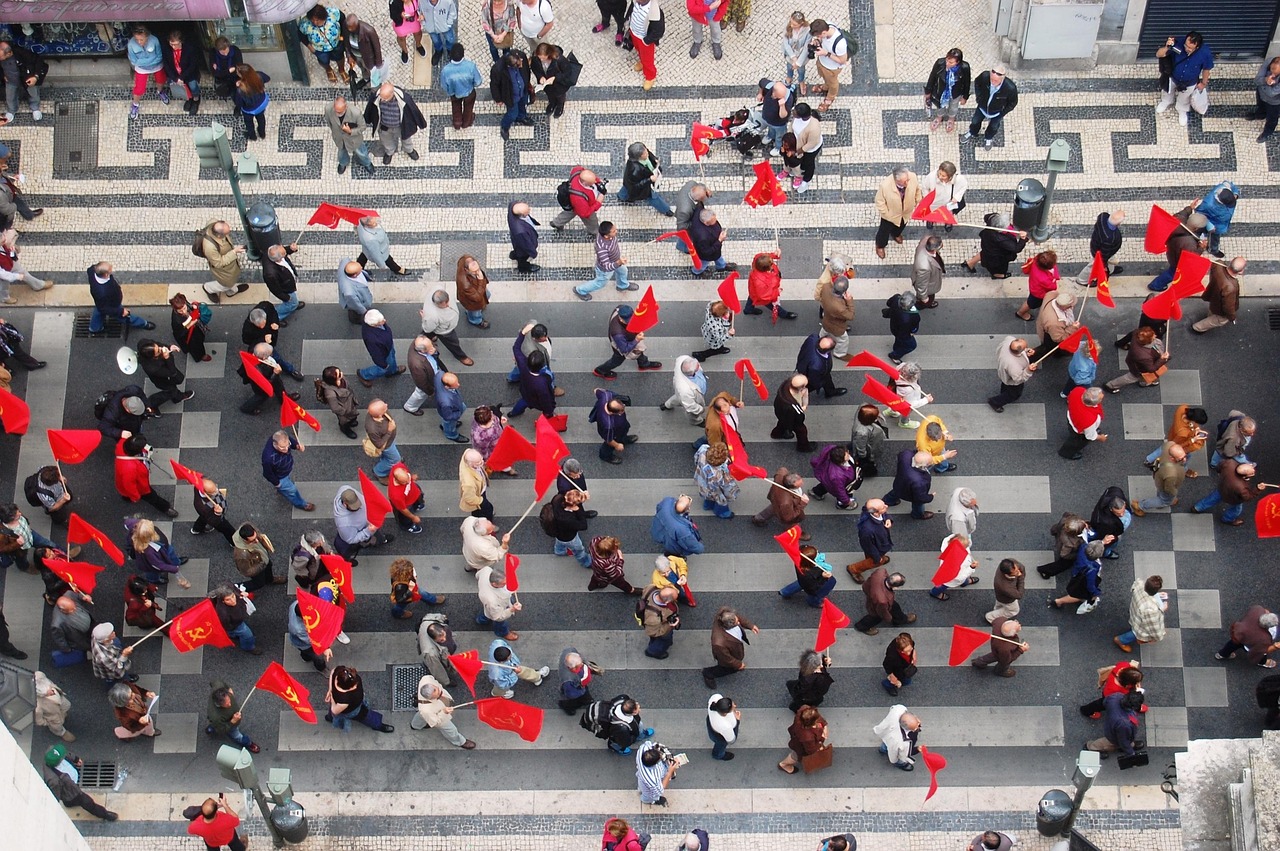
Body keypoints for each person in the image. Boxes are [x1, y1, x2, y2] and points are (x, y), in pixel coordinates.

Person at [1156, 31, 1213, 129]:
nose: (1187, 49)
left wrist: (1204, 83)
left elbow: (1206, 69)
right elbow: (1159, 54)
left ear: (1197, 47)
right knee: (1167, 91)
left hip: (1190, 82)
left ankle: (1181, 109)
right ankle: (1166, 101)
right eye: (1186, 46)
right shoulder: (1178, 44)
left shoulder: (1205, 53)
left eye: (1190, 48)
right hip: (1173, 77)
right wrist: (1167, 47)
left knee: (1185, 97)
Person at [43, 745, 117, 821]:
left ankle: (68, 803)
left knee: (70, 802)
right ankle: (104, 814)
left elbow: (65, 753)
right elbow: (55, 795)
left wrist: (75, 759)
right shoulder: (53, 780)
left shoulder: (52, 752)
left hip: (72, 779)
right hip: (72, 791)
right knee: (87, 802)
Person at [115, 435, 179, 518]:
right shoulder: (129, 468)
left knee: (125, 492)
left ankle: (127, 497)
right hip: (140, 487)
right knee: (152, 497)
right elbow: (129, 485)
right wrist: (136, 496)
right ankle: (165, 508)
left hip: (122, 480)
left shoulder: (122, 444)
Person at [364, 82, 426, 165]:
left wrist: (421, 123)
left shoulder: (404, 99)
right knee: (386, 141)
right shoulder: (376, 97)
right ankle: (389, 152)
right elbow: (370, 109)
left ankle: (409, 150)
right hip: (384, 126)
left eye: (385, 99)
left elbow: (414, 110)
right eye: (381, 97)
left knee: (406, 139)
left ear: (392, 94)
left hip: (401, 126)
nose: (382, 100)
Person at [593, 304, 661, 377]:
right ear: (621, 319)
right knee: (616, 361)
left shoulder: (620, 309)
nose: (631, 322)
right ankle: (600, 371)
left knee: (638, 352)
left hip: (628, 337)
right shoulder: (618, 333)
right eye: (628, 321)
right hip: (620, 345)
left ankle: (644, 364)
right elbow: (624, 349)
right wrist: (636, 339)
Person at [87, 262, 154, 336]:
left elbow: (101, 307)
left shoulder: (92, 271)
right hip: (112, 304)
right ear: (105, 274)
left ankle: (95, 328)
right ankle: (143, 323)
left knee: (99, 310)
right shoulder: (102, 291)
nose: (112, 271)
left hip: (101, 302)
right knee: (124, 316)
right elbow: (105, 308)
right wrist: (121, 311)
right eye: (110, 270)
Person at [1193, 459, 1264, 526]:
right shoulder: (1241, 488)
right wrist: (1257, 489)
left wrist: (1219, 472)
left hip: (1222, 488)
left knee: (1212, 499)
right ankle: (1227, 519)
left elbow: (1220, 466)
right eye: (1252, 473)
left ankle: (1197, 508)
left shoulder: (1230, 463)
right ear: (1245, 476)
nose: (1254, 471)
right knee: (1236, 509)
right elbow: (1248, 497)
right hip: (1233, 498)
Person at [576, 221, 635, 300]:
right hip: (605, 270)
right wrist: (619, 262)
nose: (616, 232)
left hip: (616, 261)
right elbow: (607, 267)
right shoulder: (601, 248)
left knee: (623, 271)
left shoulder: (609, 236)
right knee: (600, 283)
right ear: (606, 236)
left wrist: (618, 261)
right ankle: (580, 290)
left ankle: (622, 285)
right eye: (614, 231)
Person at [326, 665, 395, 733]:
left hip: (345, 704)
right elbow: (334, 711)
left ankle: (330, 718)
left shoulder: (339, 673)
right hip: (352, 710)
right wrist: (332, 698)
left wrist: (330, 689)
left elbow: (332, 672)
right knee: (365, 716)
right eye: (353, 686)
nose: (356, 686)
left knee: (334, 715)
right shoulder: (344, 701)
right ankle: (378, 725)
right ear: (345, 687)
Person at [963, 64, 1018, 148]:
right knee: (975, 121)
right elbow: (977, 83)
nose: (993, 82)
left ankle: (988, 137)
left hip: (997, 112)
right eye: (991, 79)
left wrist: (1002, 112)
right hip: (982, 107)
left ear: (1002, 78)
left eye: (995, 81)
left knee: (994, 126)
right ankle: (972, 132)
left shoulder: (1010, 88)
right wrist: (979, 97)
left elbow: (1013, 103)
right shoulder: (985, 76)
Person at [702, 607, 758, 688]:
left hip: (732, 648)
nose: (739, 622)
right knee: (727, 668)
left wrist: (750, 626)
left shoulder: (724, 613)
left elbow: (737, 617)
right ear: (729, 626)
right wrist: (738, 664)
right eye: (736, 622)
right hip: (727, 656)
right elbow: (727, 658)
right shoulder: (719, 643)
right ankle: (708, 673)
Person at [873, 167, 922, 259]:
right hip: (890, 215)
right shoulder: (885, 186)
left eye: (907, 180)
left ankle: (895, 234)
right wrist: (887, 215)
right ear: (896, 181)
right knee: (884, 231)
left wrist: (917, 201)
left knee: (901, 225)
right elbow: (879, 201)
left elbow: (917, 189)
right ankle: (880, 245)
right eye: (904, 182)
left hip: (906, 212)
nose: (907, 183)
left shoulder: (912, 177)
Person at [333, 485, 394, 558]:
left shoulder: (345, 489)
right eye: (354, 507)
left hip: (368, 522)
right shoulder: (344, 524)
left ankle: (380, 540)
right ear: (345, 504)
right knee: (368, 540)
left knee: (377, 535)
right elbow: (351, 539)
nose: (358, 507)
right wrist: (368, 531)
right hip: (364, 529)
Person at [1144, 404, 1208, 471]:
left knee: (1164, 447)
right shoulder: (1183, 433)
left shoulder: (1182, 408)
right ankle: (1184, 470)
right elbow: (1178, 445)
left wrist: (1196, 428)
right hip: (1177, 440)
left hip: (1172, 433)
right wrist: (1192, 440)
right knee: (1178, 452)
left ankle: (1149, 459)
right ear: (1194, 420)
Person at [1104, 326, 1168, 393]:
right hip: (1138, 368)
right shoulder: (1144, 356)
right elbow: (1151, 369)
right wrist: (1162, 359)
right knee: (1131, 377)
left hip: (1134, 361)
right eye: (1153, 336)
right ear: (1148, 341)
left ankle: (1144, 381)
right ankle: (1111, 385)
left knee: (1136, 376)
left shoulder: (1136, 333)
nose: (1155, 335)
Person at [1113, 575, 1168, 653]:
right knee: (1137, 632)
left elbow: (1138, 588)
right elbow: (1153, 626)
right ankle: (1120, 640)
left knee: (1135, 628)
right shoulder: (1152, 609)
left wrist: (1156, 595)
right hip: (1140, 622)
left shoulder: (1140, 584)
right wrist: (1158, 636)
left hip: (1135, 611)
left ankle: (1122, 640)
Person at [961, 214, 1027, 277]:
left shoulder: (992, 222)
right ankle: (997, 275)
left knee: (985, 253)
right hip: (996, 256)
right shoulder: (1001, 239)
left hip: (989, 245)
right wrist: (1023, 239)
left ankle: (970, 263)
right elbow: (1016, 248)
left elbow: (987, 217)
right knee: (998, 267)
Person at [420, 287, 473, 365]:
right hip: (444, 331)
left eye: (447, 301)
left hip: (440, 326)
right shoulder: (432, 315)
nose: (448, 304)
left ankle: (430, 338)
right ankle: (461, 356)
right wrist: (425, 319)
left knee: (428, 333)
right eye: (444, 304)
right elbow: (428, 328)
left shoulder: (440, 290)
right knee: (453, 343)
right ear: (437, 304)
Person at [1048, 540, 1105, 612]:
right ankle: (1058, 601)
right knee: (1078, 595)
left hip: (1077, 572)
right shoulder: (1092, 569)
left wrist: (1102, 542)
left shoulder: (1083, 547)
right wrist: (1095, 593)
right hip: (1082, 580)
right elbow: (1090, 585)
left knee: (1078, 592)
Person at [1084, 690, 1144, 759]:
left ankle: (1128, 745)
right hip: (1113, 736)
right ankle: (1091, 747)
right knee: (1106, 743)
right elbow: (1123, 740)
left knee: (1123, 740)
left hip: (1111, 724)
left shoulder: (1116, 697)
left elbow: (1105, 702)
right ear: (1133, 707)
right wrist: (1130, 752)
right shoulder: (1124, 723)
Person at [1192, 256, 1244, 334]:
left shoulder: (1218, 264)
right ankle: (1197, 327)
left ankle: (1210, 315)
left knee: (1213, 310)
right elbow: (1228, 307)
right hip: (1220, 308)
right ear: (1240, 272)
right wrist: (1231, 317)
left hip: (1213, 296)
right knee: (1219, 320)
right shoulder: (1230, 287)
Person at [1132, 442, 1187, 515]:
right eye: (1181, 459)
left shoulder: (1169, 445)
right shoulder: (1172, 474)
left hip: (1159, 475)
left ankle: (1163, 498)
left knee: (1161, 492)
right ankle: (1140, 506)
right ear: (1172, 458)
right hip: (1164, 482)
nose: (1184, 459)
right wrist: (1174, 493)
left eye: (1184, 456)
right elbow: (1169, 488)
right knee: (1164, 501)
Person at [127, 25, 169, 120]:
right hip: (142, 69)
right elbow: (134, 61)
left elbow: (159, 56)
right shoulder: (131, 45)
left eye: (141, 39)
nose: (139, 42)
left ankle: (160, 91)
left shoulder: (154, 40)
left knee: (161, 80)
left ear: (147, 36)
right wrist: (150, 60)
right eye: (137, 39)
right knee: (139, 88)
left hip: (157, 66)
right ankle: (135, 104)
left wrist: (143, 61)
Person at [619, 142, 673, 216]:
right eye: (645, 153)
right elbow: (635, 186)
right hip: (645, 187)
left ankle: (621, 196)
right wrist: (649, 180)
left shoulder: (642, 152)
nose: (647, 152)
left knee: (626, 187)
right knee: (653, 197)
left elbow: (649, 154)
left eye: (646, 150)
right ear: (640, 156)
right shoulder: (634, 170)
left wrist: (654, 159)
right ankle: (665, 210)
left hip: (638, 180)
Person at [855, 568, 915, 635]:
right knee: (874, 617)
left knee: (895, 607)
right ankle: (862, 626)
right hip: (877, 604)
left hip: (870, 592)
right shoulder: (883, 600)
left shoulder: (881, 572)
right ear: (895, 587)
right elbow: (882, 612)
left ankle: (900, 619)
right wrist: (888, 618)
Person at [846, 499, 893, 583]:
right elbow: (868, 546)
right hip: (877, 546)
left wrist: (888, 519)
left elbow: (884, 514)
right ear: (875, 512)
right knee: (873, 561)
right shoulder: (867, 530)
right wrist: (877, 557)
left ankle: (880, 558)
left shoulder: (871, 511)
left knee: (875, 558)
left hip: (880, 543)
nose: (886, 506)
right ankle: (854, 569)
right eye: (883, 507)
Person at [205, 681, 260, 753]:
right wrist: (232, 722)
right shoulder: (216, 716)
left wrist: (228, 688)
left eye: (229, 700)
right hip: (229, 723)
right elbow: (222, 730)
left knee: (217, 724)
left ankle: (212, 727)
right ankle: (248, 743)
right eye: (227, 704)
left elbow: (215, 681)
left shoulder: (218, 687)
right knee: (237, 735)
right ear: (219, 705)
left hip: (222, 721)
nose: (230, 704)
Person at [924, 49, 971, 133]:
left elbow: (967, 83)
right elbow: (932, 77)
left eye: (951, 62)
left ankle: (951, 118)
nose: (947, 64)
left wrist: (965, 97)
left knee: (953, 106)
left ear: (958, 62)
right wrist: (928, 91)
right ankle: (939, 117)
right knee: (940, 105)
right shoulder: (939, 63)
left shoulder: (965, 67)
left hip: (955, 92)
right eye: (947, 60)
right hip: (941, 91)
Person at [752, 467, 810, 535]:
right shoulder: (786, 503)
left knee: (774, 508)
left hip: (776, 499)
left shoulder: (781, 474)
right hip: (785, 507)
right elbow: (789, 517)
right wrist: (802, 503)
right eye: (800, 483)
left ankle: (758, 518)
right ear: (792, 486)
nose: (802, 483)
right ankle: (793, 532)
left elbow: (781, 470)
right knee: (791, 522)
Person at [0, 40, 46, 123]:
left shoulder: (22, 53)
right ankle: (11, 110)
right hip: (10, 80)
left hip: (27, 79)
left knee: (33, 93)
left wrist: (35, 76)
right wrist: (3, 75)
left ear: (9, 53)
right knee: (10, 96)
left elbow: (38, 61)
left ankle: (35, 107)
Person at [298, 3, 346, 83]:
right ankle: (328, 70)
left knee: (340, 57)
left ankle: (341, 70)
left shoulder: (333, 13)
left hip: (336, 43)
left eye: (317, 20)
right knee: (323, 61)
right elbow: (301, 35)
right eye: (312, 20)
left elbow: (343, 20)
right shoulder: (305, 23)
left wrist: (342, 36)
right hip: (319, 48)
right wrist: (309, 46)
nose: (314, 22)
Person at [987, 336, 1037, 413]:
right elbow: (1019, 379)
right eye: (1025, 347)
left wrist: (1026, 351)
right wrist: (1028, 370)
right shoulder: (1013, 366)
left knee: (1005, 385)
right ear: (1019, 351)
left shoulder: (1009, 340)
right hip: (1012, 379)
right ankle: (995, 402)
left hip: (1005, 374)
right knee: (1014, 394)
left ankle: (1003, 393)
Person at [808, 19, 849, 111]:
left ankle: (830, 98)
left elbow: (842, 60)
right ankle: (825, 86)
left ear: (824, 32)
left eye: (819, 35)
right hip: (822, 61)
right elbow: (821, 39)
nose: (818, 37)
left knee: (833, 84)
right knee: (824, 77)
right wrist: (817, 41)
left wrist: (826, 53)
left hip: (832, 68)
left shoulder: (840, 44)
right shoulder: (828, 24)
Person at [552, 166, 605, 235]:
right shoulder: (579, 198)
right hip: (583, 206)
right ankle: (595, 231)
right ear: (585, 183)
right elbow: (585, 213)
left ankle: (557, 223)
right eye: (592, 182)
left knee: (570, 213)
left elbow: (578, 168)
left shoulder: (577, 172)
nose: (595, 182)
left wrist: (598, 181)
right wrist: (598, 202)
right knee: (592, 221)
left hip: (575, 205)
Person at [440, 44, 482, 130]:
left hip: (454, 93)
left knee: (456, 108)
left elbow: (444, 85)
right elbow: (478, 82)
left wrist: (450, 92)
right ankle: (466, 122)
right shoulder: (471, 66)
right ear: (463, 54)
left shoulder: (445, 70)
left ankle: (457, 123)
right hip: (469, 93)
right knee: (468, 108)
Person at [161, 29, 203, 115]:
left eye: (175, 44)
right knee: (184, 89)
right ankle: (189, 99)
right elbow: (166, 64)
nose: (173, 47)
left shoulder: (189, 49)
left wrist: (182, 77)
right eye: (171, 44)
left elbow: (193, 65)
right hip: (175, 74)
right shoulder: (166, 49)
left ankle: (196, 100)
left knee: (193, 86)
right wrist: (175, 78)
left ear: (181, 42)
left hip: (189, 74)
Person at [1059, 387, 1107, 460]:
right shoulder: (1088, 420)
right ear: (1093, 403)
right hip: (1080, 432)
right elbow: (1089, 436)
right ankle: (1066, 453)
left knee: (1073, 436)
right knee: (1076, 443)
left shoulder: (1078, 391)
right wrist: (1100, 438)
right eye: (1101, 399)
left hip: (1073, 419)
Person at [693, 443, 738, 520]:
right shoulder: (716, 474)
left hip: (701, 480)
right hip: (713, 489)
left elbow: (696, 458)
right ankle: (722, 512)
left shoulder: (704, 449)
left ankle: (708, 505)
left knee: (707, 495)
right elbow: (720, 486)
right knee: (720, 500)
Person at [778, 704, 827, 774]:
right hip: (801, 748)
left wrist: (824, 725)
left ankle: (784, 764)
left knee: (796, 754)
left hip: (797, 740)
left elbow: (816, 716)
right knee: (795, 756)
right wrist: (821, 740)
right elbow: (811, 750)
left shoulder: (804, 711)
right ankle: (784, 764)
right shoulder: (807, 737)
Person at [809, 444, 860, 510]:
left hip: (828, 480)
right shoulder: (837, 476)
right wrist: (847, 501)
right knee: (843, 493)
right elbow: (840, 491)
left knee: (825, 486)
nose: (848, 453)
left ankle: (816, 492)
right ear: (841, 461)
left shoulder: (833, 453)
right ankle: (842, 505)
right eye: (846, 454)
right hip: (842, 484)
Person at [744, 251, 794, 319]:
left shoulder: (758, 261)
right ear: (767, 268)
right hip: (765, 297)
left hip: (755, 291)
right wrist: (776, 293)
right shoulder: (761, 282)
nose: (773, 264)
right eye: (771, 263)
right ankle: (784, 314)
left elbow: (762, 256)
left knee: (752, 297)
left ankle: (748, 309)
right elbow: (764, 296)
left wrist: (775, 254)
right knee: (773, 305)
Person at [476, 565, 521, 639]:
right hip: (499, 606)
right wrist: (512, 609)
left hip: (490, 605)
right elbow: (498, 617)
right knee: (500, 622)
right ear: (494, 584)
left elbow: (478, 575)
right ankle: (502, 632)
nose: (506, 584)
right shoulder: (492, 600)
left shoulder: (486, 570)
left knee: (487, 612)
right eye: (503, 584)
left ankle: (481, 620)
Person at [628, 0, 664, 92]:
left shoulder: (654, 11)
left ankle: (650, 76)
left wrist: (646, 41)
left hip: (644, 39)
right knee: (638, 50)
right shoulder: (635, 2)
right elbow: (631, 10)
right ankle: (642, 62)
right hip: (634, 33)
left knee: (647, 58)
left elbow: (658, 31)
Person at [795, 333, 845, 399]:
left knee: (827, 379)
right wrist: (819, 384)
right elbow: (814, 380)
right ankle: (796, 395)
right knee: (808, 386)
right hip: (814, 374)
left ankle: (830, 391)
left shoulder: (813, 338)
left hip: (805, 364)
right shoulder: (817, 366)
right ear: (828, 351)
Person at [315, 366, 360, 439]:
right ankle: (345, 429)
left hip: (350, 404)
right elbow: (335, 408)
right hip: (344, 411)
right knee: (345, 422)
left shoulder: (341, 379)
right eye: (339, 374)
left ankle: (351, 421)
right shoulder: (330, 393)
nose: (341, 374)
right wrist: (345, 411)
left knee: (353, 417)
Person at [873, 703, 921, 771]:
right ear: (908, 729)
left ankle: (883, 749)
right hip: (893, 743)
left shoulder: (898, 710)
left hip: (887, 733)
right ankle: (900, 764)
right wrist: (917, 749)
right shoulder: (899, 741)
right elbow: (903, 752)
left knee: (886, 742)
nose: (918, 726)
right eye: (915, 728)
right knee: (896, 753)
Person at [771, 374, 812, 452]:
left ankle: (777, 434)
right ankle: (803, 447)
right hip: (791, 416)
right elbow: (799, 416)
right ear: (800, 388)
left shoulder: (785, 387)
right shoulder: (792, 404)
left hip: (780, 412)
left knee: (782, 423)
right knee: (801, 430)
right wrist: (803, 408)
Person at [639, 585, 681, 659]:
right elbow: (653, 632)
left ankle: (659, 644)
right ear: (667, 601)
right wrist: (670, 625)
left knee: (663, 640)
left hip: (661, 623)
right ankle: (653, 652)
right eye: (674, 599)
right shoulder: (653, 618)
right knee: (662, 641)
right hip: (662, 630)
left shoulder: (651, 588)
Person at [1016, 249, 1060, 320]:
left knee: (1031, 302)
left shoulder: (1036, 260)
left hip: (1034, 287)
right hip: (1038, 294)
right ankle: (1020, 313)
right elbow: (1053, 287)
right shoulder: (1044, 279)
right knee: (1030, 304)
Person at [531, 43, 570, 118]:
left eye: (543, 58)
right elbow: (534, 68)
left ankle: (560, 106)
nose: (541, 60)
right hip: (547, 84)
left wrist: (555, 78)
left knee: (560, 96)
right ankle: (552, 103)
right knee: (550, 95)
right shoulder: (535, 58)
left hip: (559, 84)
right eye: (540, 58)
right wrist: (540, 76)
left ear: (549, 54)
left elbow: (567, 72)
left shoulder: (559, 59)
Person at [883, 290, 920, 365]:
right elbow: (914, 327)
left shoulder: (896, 298)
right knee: (911, 346)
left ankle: (896, 348)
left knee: (899, 340)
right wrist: (913, 332)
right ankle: (895, 355)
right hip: (904, 334)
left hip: (894, 327)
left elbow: (888, 303)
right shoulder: (913, 316)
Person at [1249, 56, 1280, 142]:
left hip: (1275, 102)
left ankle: (1267, 132)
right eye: (1271, 70)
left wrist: (1263, 83)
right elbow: (1256, 80)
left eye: (1276, 73)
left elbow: (1272, 93)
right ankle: (1260, 115)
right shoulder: (1268, 61)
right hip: (1261, 94)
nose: (1272, 74)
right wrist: (1266, 80)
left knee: (1272, 118)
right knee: (1260, 105)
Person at [388, 462, 426, 534]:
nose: (408, 481)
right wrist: (413, 517)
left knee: (418, 497)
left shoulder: (399, 467)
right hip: (406, 503)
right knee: (404, 518)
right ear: (396, 480)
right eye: (404, 482)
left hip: (413, 493)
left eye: (408, 478)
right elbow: (403, 509)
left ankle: (417, 505)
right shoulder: (396, 495)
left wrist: (411, 477)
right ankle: (408, 526)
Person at [456, 254, 491, 328]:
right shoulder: (465, 284)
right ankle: (476, 321)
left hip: (477, 290)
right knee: (475, 312)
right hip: (472, 301)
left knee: (487, 295)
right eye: (474, 271)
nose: (478, 272)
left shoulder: (465, 259)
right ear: (466, 270)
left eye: (478, 269)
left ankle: (471, 312)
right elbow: (477, 298)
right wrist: (481, 280)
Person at [459, 449, 495, 520]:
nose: (482, 462)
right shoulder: (468, 483)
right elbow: (469, 498)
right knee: (487, 508)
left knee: (480, 511)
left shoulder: (467, 454)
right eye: (478, 462)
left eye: (481, 459)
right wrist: (481, 501)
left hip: (479, 490)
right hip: (477, 497)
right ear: (470, 464)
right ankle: (487, 523)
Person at [987, 557, 1025, 624]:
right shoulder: (1005, 586)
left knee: (1000, 604)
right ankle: (990, 617)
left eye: (1017, 568)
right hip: (1008, 600)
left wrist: (1019, 571)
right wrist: (1020, 577)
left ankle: (997, 610)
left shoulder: (1006, 565)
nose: (1018, 571)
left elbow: (1021, 566)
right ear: (1007, 574)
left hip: (1000, 595)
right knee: (1013, 610)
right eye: (1015, 572)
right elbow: (1019, 595)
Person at [507, 201, 541, 274]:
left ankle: (515, 255)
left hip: (516, 240)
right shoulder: (521, 231)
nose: (529, 210)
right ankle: (523, 268)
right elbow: (526, 245)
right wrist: (533, 253)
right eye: (527, 211)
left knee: (518, 251)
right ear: (522, 214)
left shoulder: (512, 206)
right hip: (522, 247)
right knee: (522, 257)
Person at [911, 235, 944, 308]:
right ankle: (921, 304)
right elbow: (921, 284)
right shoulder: (924, 267)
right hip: (929, 286)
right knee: (927, 300)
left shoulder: (925, 240)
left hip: (926, 276)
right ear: (934, 249)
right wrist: (924, 298)